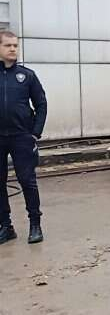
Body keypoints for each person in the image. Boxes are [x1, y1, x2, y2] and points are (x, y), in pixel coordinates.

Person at [0, 30, 48, 245]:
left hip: (21, 137)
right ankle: (6, 226)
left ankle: (35, 225)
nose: (13, 49)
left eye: (15, 45)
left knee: (27, 181)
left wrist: (34, 133)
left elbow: (41, 104)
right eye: (7, 45)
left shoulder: (27, 76)